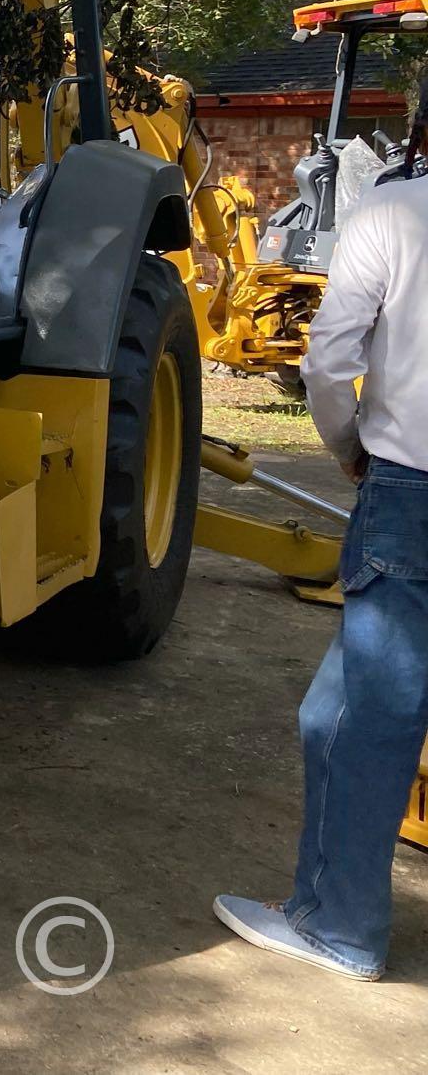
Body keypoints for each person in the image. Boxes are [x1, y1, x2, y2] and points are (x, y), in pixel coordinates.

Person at [215, 97, 428, 980]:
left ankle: (339, 927)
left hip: (410, 495)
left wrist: (347, 451)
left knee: (359, 719)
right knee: (334, 715)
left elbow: (328, 362)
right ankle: (320, 906)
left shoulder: (391, 212)